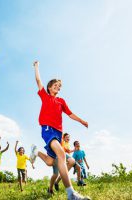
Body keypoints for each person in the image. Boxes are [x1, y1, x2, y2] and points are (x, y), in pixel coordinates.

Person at [30, 61, 90, 200]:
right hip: (47, 129)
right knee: (62, 156)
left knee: (51, 162)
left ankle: (36, 152)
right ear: (49, 88)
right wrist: (37, 66)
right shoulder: (45, 96)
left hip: (58, 133)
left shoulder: (61, 101)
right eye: (55, 85)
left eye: (59, 86)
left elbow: (70, 114)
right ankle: (71, 194)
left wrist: (81, 121)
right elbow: (38, 80)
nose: (58, 87)